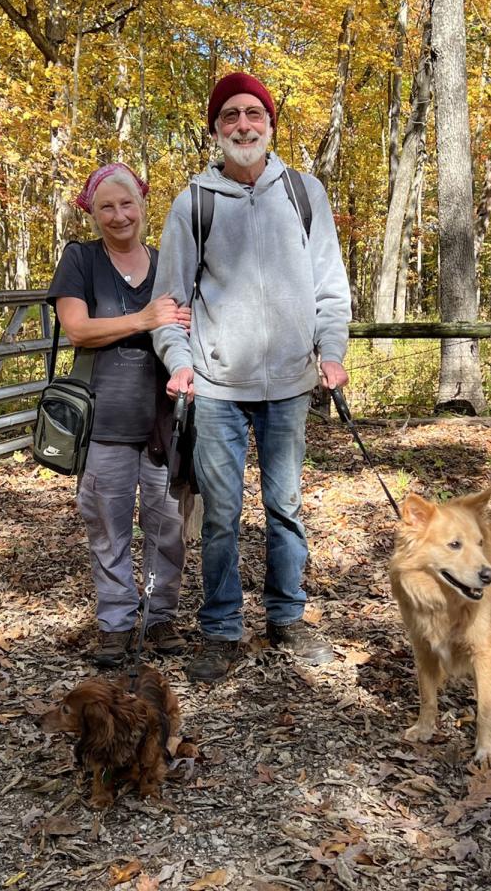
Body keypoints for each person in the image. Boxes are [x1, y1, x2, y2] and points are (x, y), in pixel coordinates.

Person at [152, 72, 351, 683]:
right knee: (219, 514)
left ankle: (286, 620)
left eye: (253, 115)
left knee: (285, 507)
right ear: (215, 130)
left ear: (269, 124)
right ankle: (221, 630)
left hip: (291, 385)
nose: (243, 125)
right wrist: (180, 362)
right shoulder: (194, 202)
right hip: (216, 388)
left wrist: (332, 349)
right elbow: (170, 301)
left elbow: (329, 287)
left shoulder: (303, 192)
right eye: (230, 116)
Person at [48, 162, 192, 668]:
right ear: (92, 213)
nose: (118, 215)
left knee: (167, 525)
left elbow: (188, 321)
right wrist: (145, 319)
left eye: (126, 203)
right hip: (102, 419)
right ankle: (116, 622)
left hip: (163, 419)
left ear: (143, 206)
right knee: (108, 526)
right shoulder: (81, 260)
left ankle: (160, 616)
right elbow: (78, 330)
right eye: (106, 206)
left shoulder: (167, 262)